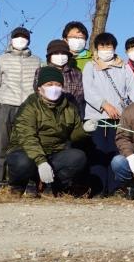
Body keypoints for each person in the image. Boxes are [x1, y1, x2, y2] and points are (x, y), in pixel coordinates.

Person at [5, 66, 89, 197]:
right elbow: (27, 137)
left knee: (78, 157)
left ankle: (53, 186)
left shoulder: (70, 107)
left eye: (58, 85)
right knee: (22, 162)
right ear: (39, 88)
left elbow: (73, 136)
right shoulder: (29, 106)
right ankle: (18, 185)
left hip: (55, 152)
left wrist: (85, 130)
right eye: (49, 84)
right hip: (26, 151)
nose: (54, 88)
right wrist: (41, 162)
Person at [82, 32, 134, 195]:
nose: (106, 49)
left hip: (119, 119)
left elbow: (133, 90)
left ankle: (115, 188)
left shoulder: (124, 67)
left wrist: (131, 112)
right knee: (98, 153)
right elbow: (88, 90)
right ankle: (98, 189)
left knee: (116, 152)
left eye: (109, 46)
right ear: (96, 48)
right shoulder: (90, 66)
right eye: (102, 46)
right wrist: (104, 105)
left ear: (114, 48)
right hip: (97, 117)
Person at [0, 26, 41, 192]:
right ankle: (0, 180)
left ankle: (29, 180)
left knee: (29, 143)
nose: (20, 39)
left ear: (29, 40)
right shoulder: (1, 59)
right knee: (2, 145)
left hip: (29, 107)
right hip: (5, 106)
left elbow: (40, 87)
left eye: (24, 37)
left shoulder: (37, 60)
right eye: (17, 36)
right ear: (11, 39)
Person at [35, 38, 86, 115]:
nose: (60, 56)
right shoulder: (41, 71)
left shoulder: (77, 73)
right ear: (50, 56)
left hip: (71, 114)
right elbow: (38, 93)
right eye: (56, 53)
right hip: (46, 114)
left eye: (63, 53)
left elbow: (79, 96)